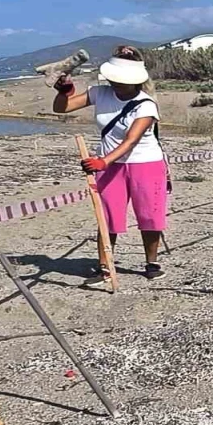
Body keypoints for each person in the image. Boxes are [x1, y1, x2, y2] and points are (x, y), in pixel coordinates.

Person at [52, 46, 168, 284]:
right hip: (109, 165)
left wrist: (102, 161)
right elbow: (61, 108)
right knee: (107, 215)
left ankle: (151, 262)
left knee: (149, 215)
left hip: (144, 163)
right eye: (114, 79)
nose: (116, 84)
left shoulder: (146, 105)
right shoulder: (99, 93)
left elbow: (131, 141)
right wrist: (64, 91)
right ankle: (104, 266)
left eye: (122, 80)